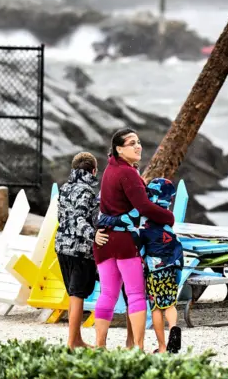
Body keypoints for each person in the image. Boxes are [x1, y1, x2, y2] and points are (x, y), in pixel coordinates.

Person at [92, 128, 175, 350]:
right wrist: (169, 216)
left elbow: (105, 208)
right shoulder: (128, 173)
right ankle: (138, 348)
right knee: (136, 294)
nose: (138, 146)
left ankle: (100, 345)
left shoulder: (110, 170)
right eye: (132, 143)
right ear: (119, 149)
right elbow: (144, 207)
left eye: (138, 142)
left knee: (107, 294)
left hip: (104, 242)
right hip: (125, 242)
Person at [98, 177, 184, 353]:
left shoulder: (144, 217)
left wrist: (104, 222)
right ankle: (174, 327)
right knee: (169, 304)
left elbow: (136, 238)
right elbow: (173, 241)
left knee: (156, 307)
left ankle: (161, 346)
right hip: (174, 263)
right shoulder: (167, 217)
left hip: (155, 268)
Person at [55, 151, 99, 349]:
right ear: (94, 170)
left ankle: (76, 339)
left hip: (61, 247)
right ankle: (73, 342)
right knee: (78, 294)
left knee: (73, 294)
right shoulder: (87, 191)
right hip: (80, 250)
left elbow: (61, 218)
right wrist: (94, 235)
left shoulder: (65, 188)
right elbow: (80, 219)